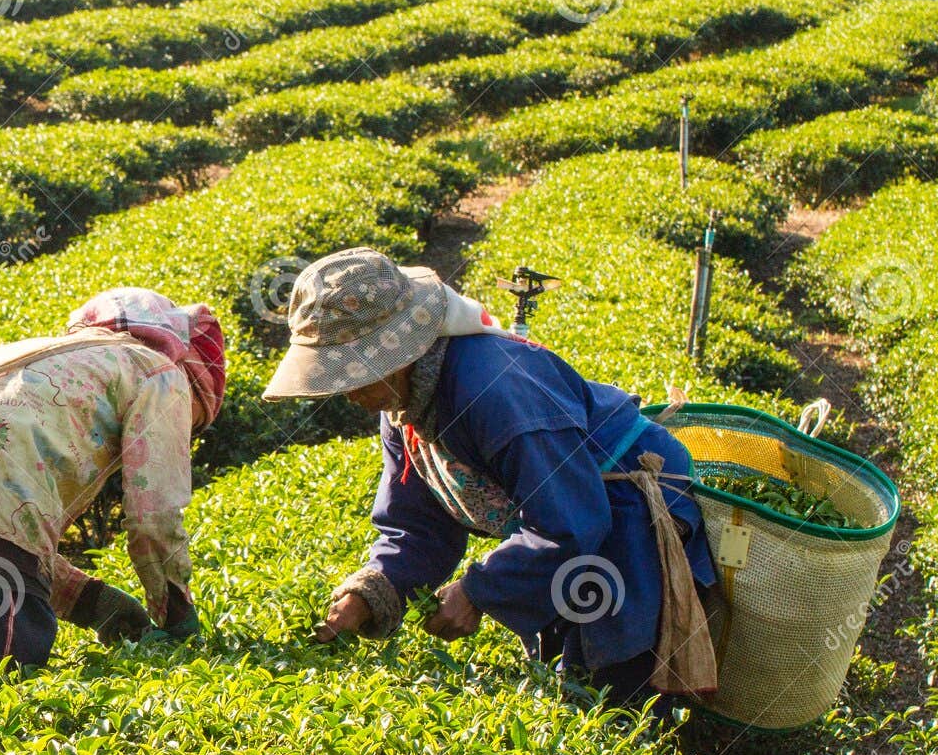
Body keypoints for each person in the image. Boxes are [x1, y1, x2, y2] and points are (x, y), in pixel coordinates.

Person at [261, 248, 719, 714]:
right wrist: (374, 590)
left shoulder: (494, 388)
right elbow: (418, 525)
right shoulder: (400, 403)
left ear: (400, 349)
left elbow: (568, 521)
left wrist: (477, 592)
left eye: (354, 372)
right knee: (564, 673)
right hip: (572, 524)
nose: (348, 392)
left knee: (614, 688)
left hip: (626, 512)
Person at [0, 287, 226, 695]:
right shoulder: (160, 373)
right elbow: (154, 515)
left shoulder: (37, 353)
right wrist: (176, 614)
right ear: (188, 371)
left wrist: (89, 600)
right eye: (191, 419)